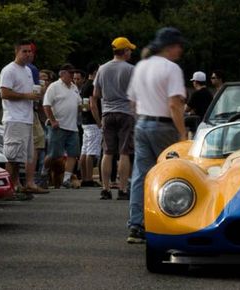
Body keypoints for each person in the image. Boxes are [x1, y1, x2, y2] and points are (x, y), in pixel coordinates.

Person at [127, 27, 187, 243]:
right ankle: (166, 223)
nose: (181, 49)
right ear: (170, 46)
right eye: (179, 45)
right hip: (164, 125)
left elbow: (132, 102)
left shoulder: (141, 66)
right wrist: (182, 133)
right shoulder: (171, 69)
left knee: (140, 175)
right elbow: (174, 104)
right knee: (169, 173)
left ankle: (136, 224)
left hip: (142, 123)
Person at [92, 37, 136, 200]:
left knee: (108, 152)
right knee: (124, 152)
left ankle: (105, 188)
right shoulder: (131, 69)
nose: (131, 52)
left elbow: (96, 94)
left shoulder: (102, 69)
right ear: (124, 51)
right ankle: (123, 189)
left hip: (107, 113)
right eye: (129, 50)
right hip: (125, 113)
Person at [0, 39, 40, 200]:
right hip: (14, 118)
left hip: (26, 118)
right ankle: (9, 189)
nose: (28, 54)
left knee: (20, 158)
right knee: (12, 156)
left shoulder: (28, 71)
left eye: (30, 51)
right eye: (24, 51)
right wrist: (26, 96)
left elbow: (28, 93)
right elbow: (4, 93)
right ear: (16, 52)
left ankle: (16, 186)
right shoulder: (9, 70)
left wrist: (35, 95)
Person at [42, 63, 82, 189]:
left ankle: (66, 179)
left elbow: (79, 103)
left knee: (73, 154)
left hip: (72, 126)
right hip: (58, 126)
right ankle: (43, 172)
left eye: (73, 73)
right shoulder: (54, 87)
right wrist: (52, 120)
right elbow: (46, 105)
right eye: (70, 73)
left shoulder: (74, 87)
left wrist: (80, 108)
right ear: (62, 74)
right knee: (54, 154)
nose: (72, 75)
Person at [24, 42, 49, 194]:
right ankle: (30, 181)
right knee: (36, 142)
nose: (31, 55)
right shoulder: (32, 69)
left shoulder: (18, 69)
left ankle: (27, 181)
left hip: (24, 113)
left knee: (33, 143)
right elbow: (36, 93)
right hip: (29, 112)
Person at [79, 63, 102, 187]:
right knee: (91, 151)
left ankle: (84, 177)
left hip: (85, 121)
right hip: (93, 122)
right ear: (94, 72)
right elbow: (93, 105)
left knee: (85, 149)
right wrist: (99, 121)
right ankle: (88, 178)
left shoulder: (84, 86)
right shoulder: (92, 85)